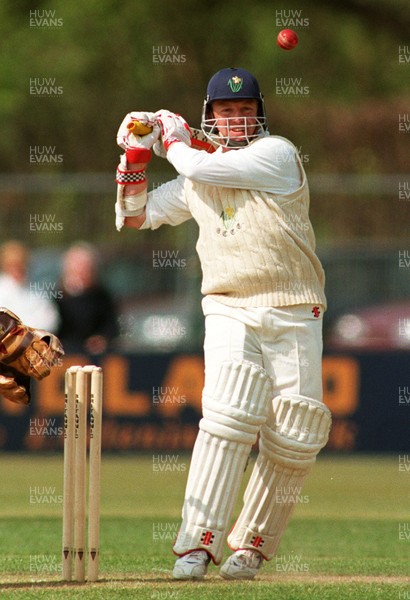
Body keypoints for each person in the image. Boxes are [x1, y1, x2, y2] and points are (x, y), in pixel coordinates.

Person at [115, 67, 332, 581]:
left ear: (259, 115)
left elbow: (201, 166)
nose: (236, 120)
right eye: (226, 112)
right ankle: (198, 543)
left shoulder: (277, 153)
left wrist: (171, 136)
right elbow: (135, 214)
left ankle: (253, 545)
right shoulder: (197, 175)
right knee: (229, 413)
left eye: (245, 110)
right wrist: (136, 156)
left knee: (296, 431)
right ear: (211, 115)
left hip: (294, 305)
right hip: (229, 304)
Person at [54, 242, 119, 354]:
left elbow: (111, 326)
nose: (81, 272)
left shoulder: (101, 297)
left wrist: (102, 339)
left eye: (85, 267)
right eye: (77, 267)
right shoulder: (56, 297)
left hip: (94, 357)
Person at [0, 240, 59, 332]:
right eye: (13, 265)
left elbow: (50, 319)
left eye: (21, 264)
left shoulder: (38, 289)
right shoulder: (2, 289)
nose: (18, 269)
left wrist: (30, 333)